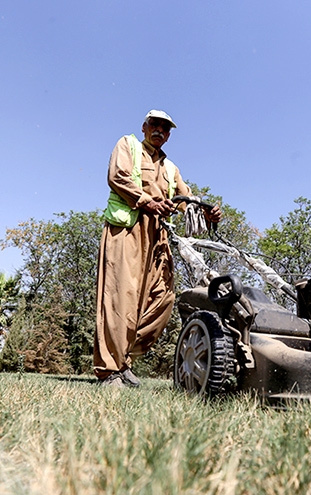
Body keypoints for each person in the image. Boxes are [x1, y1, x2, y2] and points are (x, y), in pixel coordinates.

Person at [93, 109, 222, 387]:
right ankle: (110, 370)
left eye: (166, 128)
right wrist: (149, 202)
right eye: (155, 125)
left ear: (169, 135)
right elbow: (117, 177)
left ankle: (124, 357)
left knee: (163, 299)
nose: (159, 131)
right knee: (120, 299)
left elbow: (185, 199)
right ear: (144, 126)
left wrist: (206, 213)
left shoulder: (171, 168)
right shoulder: (127, 145)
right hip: (127, 229)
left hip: (157, 237)